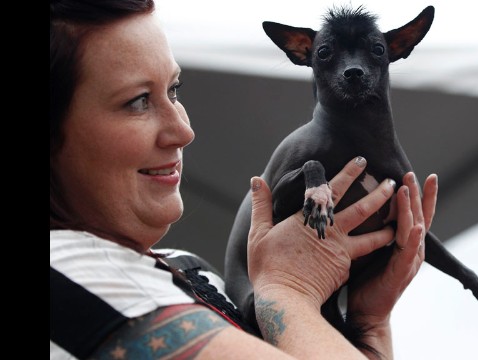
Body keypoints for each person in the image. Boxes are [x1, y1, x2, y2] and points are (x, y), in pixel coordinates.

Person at [49, 0, 439, 359]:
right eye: (137, 101)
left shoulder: (188, 271)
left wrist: (368, 321)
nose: (184, 131)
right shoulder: (72, 272)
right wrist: (285, 289)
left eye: (174, 90)